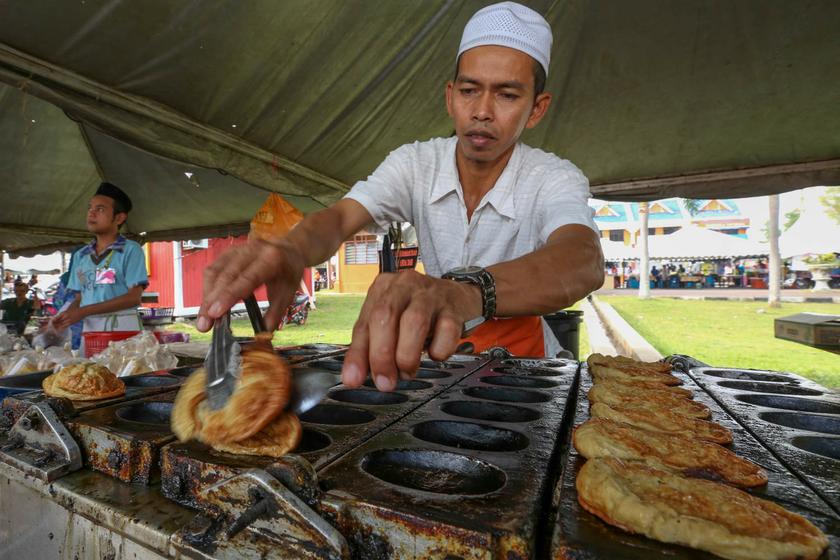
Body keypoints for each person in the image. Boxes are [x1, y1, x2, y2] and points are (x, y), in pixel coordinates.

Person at [196, 2, 604, 392]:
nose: (481, 110)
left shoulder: (552, 176)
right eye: (468, 90)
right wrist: (290, 250)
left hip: (530, 374)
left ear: (537, 108)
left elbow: (582, 259)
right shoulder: (415, 164)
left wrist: (466, 293)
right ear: (450, 97)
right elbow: (340, 219)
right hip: (445, 364)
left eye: (507, 95)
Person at [52, 183, 148, 349]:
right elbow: (79, 298)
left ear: (119, 218)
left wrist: (83, 311)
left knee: (121, 373)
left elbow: (134, 297)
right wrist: (66, 315)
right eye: (90, 208)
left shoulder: (130, 250)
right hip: (91, 331)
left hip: (123, 330)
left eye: (100, 209)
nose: (92, 212)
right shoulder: (81, 256)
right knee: (92, 372)